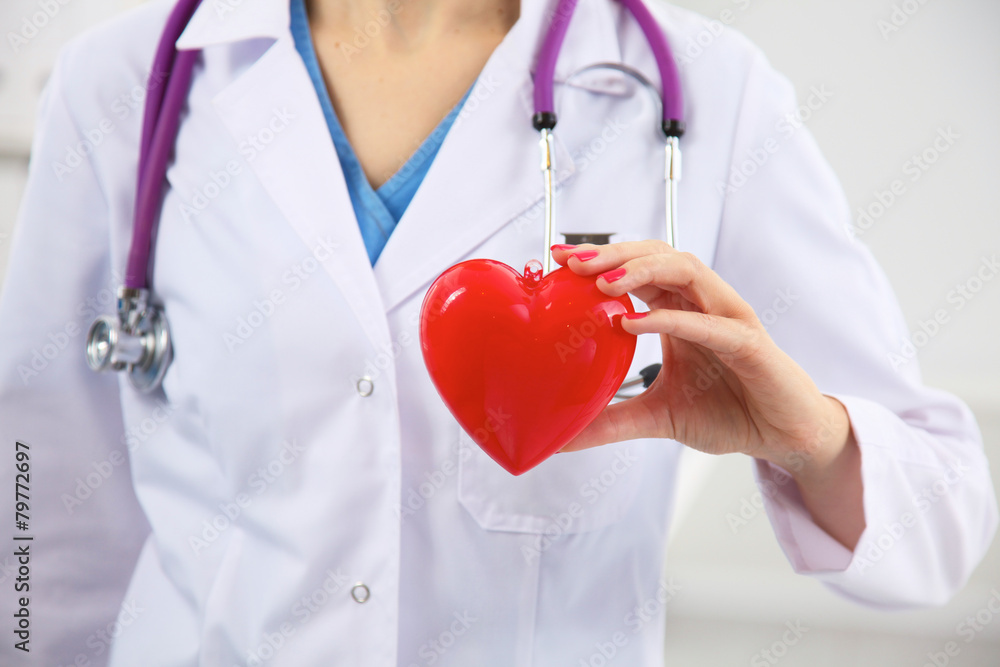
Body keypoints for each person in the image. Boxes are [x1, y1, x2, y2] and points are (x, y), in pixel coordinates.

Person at [0, 0, 995, 664]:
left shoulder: (703, 90)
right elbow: (42, 524)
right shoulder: (132, 82)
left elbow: (943, 522)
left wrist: (814, 437)